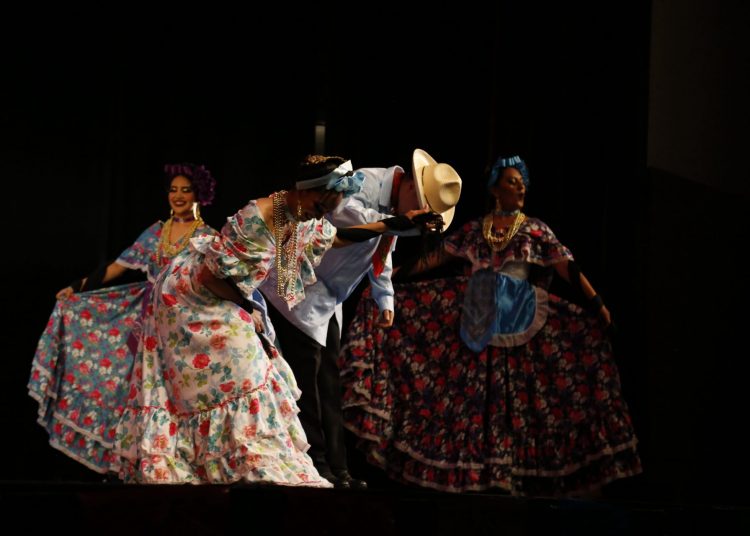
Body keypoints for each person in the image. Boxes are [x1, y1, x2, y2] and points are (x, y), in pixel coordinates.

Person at [113, 155, 430, 485]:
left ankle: (243, 459)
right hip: (192, 295)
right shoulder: (260, 216)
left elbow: (335, 238)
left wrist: (389, 225)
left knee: (257, 368)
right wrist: (247, 308)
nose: (318, 216)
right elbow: (210, 276)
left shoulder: (302, 216)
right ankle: (218, 458)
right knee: (244, 364)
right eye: (319, 206)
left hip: (228, 292)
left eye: (326, 211)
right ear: (304, 190)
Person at [339, 154, 642, 496]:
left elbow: (566, 267)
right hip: (476, 322)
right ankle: (473, 477)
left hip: (519, 323)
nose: (521, 188)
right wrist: (389, 277)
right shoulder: (476, 230)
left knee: (517, 402)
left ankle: (512, 477)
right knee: (470, 402)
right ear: (496, 189)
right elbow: (434, 258)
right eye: (513, 181)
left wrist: (597, 304)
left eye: (522, 182)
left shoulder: (535, 229)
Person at [260, 148, 461, 489]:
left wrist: (385, 298)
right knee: (307, 381)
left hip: (328, 296)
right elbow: (345, 219)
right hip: (299, 285)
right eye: (421, 204)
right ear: (410, 184)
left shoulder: (396, 208)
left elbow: (383, 251)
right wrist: (401, 224)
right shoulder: (364, 182)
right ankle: (315, 464)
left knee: (329, 382)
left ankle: (338, 467)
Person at [28, 163, 221, 474]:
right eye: (173, 190)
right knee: (133, 386)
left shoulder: (207, 237)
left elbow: (215, 282)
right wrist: (77, 287)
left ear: (199, 195)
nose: (178, 196)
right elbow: (118, 266)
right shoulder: (157, 231)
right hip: (147, 320)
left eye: (186, 190)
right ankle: (134, 462)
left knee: (178, 392)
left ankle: (180, 461)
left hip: (183, 324)